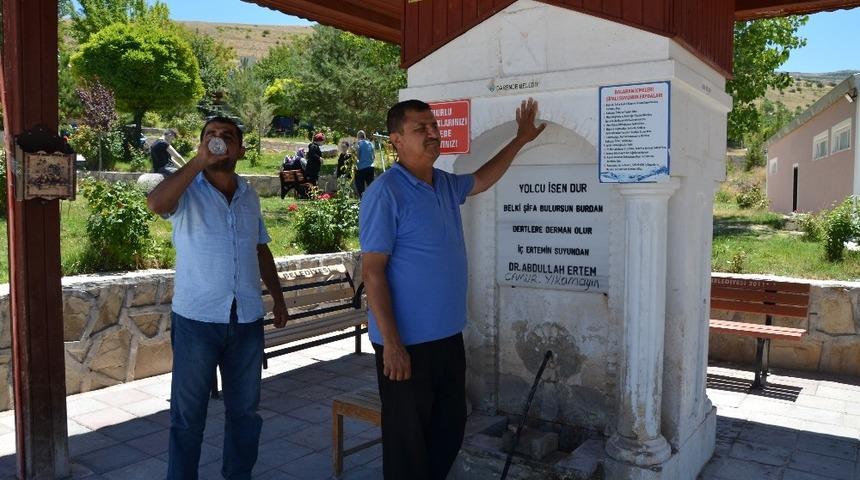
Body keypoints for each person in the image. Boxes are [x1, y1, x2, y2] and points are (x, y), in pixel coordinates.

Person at [359, 98, 545, 479]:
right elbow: (373, 273)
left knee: (449, 429)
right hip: (405, 345)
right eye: (420, 128)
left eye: (434, 126)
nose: (432, 133)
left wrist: (520, 139)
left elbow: (483, 178)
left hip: (446, 339)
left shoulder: (444, 183)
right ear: (396, 140)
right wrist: (391, 344)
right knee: (408, 447)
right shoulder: (385, 193)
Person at [146, 116, 289, 480]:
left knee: (245, 414)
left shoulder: (248, 195)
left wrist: (278, 297)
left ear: (240, 149)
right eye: (210, 135)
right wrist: (198, 162)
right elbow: (156, 203)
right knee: (188, 417)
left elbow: (260, 248)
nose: (218, 140)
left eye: (226, 136)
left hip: (246, 321)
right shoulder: (186, 189)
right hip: (197, 321)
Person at [354, 130, 375, 197]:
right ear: (364, 136)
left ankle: (362, 201)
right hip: (370, 168)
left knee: (361, 189)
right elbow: (373, 157)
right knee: (371, 188)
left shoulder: (358, 144)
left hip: (361, 169)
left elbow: (357, 157)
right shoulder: (370, 144)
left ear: (358, 137)